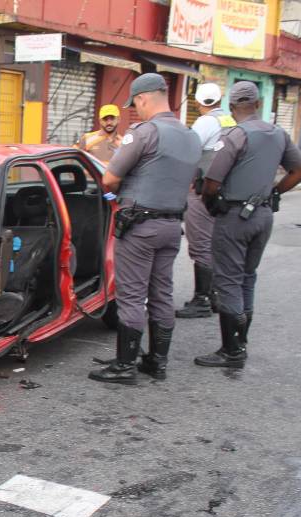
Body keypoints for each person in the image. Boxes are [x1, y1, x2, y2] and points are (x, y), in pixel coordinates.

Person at [88, 73, 200, 385]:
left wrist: (112, 200)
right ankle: (157, 362)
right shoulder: (190, 136)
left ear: (143, 98)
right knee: (162, 293)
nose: (135, 110)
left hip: (139, 227)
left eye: (135, 104)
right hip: (171, 226)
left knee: (132, 296)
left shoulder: (144, 132)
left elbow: (110, 179)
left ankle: (125, 366)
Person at [194, 81, 301, 369]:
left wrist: (210, 203)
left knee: (229, 279)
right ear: (258, 104)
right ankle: (241, 341)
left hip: (234, 216)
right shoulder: (278, 133)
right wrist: (275, 192)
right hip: (263, 215)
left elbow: (212, 181)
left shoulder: (235, 135)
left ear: (232, 108)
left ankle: (231, 350)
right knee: (248, 277)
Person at [175, 82, 237, 319]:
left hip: (203, 192)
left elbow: (187, 152)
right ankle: (213, 295)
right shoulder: (230, 121)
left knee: (200, 244)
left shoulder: (205, 122)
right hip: (225, 193)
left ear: (199, 102)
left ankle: (202, 299)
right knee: (215, 244)